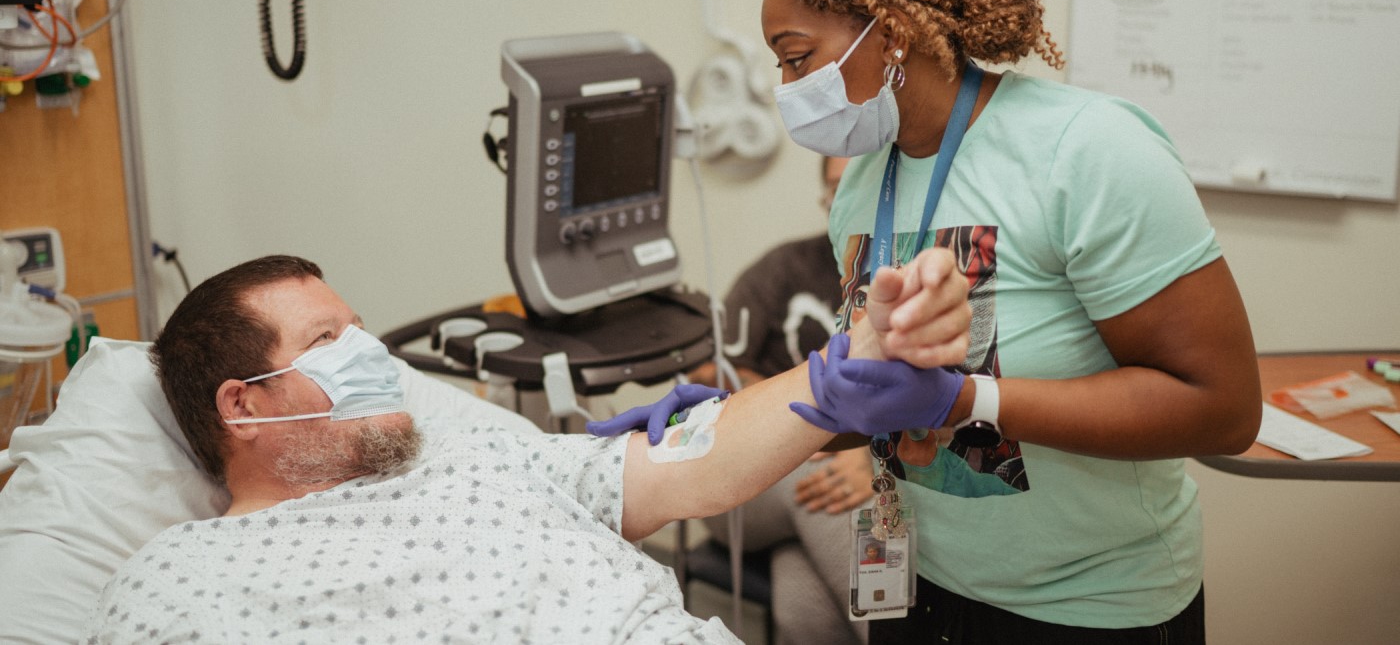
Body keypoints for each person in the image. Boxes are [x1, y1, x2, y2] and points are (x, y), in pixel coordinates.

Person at [612, 0, 1261, 644]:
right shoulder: (862, 186)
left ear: (890, 32)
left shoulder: (1085, 152)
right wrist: (730, 417)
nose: (786, 89)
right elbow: (881, 398)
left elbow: (1222, 408)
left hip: (1088, 608)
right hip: (917, 589)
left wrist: (969, 402)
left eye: (797, 59)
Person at [82, 252, 971, 643]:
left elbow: (700, 465)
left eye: (362, 331)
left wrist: (844, 367)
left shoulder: (478, 456)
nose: (373, 355)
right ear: (242, 406)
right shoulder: (176, 582)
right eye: (326, 345)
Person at [690, 155, 873, 645]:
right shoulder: (783, 270)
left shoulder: (904, 277)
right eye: (837, 184)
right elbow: (708, 376)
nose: (848, 195)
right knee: (820, 475)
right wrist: (806, 425)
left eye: (863, 178)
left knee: (805, 607)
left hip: (838, 487)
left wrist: (869, 458)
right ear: (823, 199)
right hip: (746, 480)